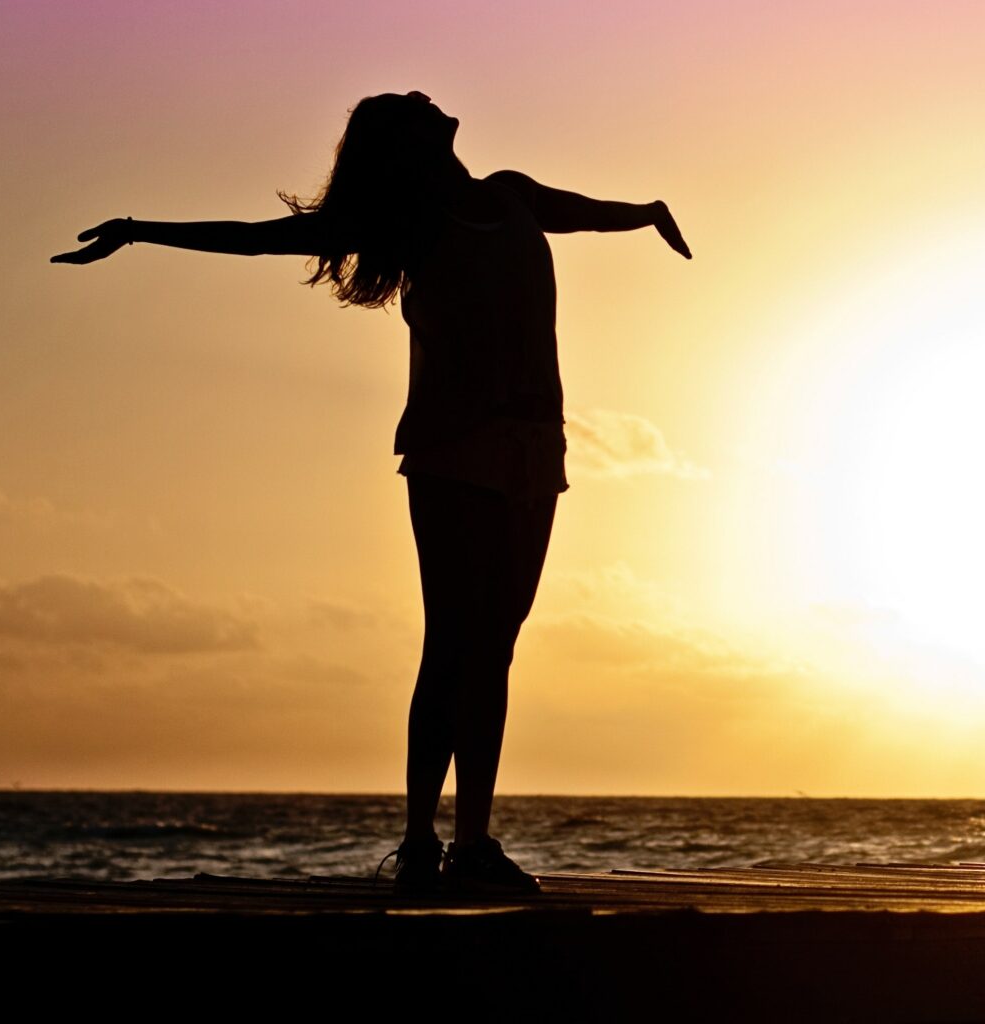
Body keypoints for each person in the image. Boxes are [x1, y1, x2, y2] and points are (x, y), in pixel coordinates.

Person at [52, 90, 691, 896]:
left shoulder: (510, 195)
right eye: (413, 108)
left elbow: (589, 213)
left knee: (494, 649)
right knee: (454, 645)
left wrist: (648, 211)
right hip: (453, 449)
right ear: (409, 146)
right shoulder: (411, 223)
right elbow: (261, 241)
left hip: (538, 451)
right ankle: (427, 842)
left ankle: (470, 843)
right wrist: (141, 231)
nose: (433, 100)